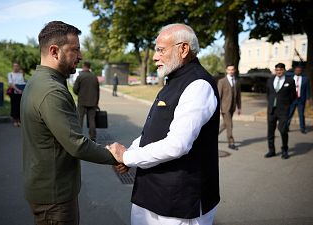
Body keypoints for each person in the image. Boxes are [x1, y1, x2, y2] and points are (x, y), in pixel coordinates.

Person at [108, 23, 220, 225]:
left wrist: (127, 156)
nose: (154, 57)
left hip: (178, 204)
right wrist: (128, 155)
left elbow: (177, 144)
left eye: (161, 50)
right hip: (150, 194)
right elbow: (153, 132)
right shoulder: (174, 80)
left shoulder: (198, 85)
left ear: (183, 49)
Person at [21, 21, 118, 225]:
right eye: (74, 50)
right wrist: (117, 156)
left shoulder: (39, 80)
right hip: (54, 196)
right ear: (54, 51)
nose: (80, 56)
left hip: (47, 187)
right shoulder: (51, 90)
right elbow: (77, 144)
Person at [265, 63, 296, 159]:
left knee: (283, 130)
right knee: (270, 132)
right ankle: (271, 150)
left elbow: (293, 96)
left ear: (284, 70)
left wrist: (286, 105)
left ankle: (284, 150)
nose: (279, 72)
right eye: (277, 70)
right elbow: (268, 94)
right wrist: (270, 103)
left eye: (281, 70)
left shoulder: (290, 81)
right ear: (275, 71)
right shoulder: (270, 80)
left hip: (283, 111)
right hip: (271, 110)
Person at [73, 61, 99, 141]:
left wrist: (79, 94)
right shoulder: (94, 77)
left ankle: (78, 137)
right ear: (89, 67)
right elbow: (97, 91)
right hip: (93, 102)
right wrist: (96, 102)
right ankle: (93, 137)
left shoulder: (80, 76)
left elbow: (75, 89)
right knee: (92, 120)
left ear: (84, 66)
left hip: (82, 101)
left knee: (79, 120)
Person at [218, 64, 241, 150]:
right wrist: (219, 108)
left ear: (234, 70)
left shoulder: (236, 81)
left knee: (225, 124)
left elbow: (238, 96)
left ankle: (212, 136)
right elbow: (218, 96)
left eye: (232, 69)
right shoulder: (222, 81)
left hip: (233, 107)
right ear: (226, 70)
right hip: (224, 107)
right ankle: (231, 143)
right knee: (230, 125)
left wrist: (239, 107)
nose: (231, 71)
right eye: (229, 70)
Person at [287, 65, 311, 134]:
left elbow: (307, 90)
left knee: (301, 114)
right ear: (294, 71)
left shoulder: (305, 79)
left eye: (299, 70)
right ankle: (286, 127)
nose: (297, 72)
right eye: (296, 70)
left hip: (301, 99)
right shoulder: (290, 78)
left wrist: (308, 99)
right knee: (290, 113)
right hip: (292, 99)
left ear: (301, 71)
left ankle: (302, 128)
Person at [7, 63, 25, 127]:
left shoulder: (21, 74)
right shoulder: (10, 74)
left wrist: (21, 90)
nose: (16, 67)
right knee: (14, 106)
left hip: (21, 92)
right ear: (12, 67)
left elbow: (22, 82)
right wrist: (17, 89)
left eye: (17, 66)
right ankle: (15, 120)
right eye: (14, 66)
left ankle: (19, 120)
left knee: (20, 106)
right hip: (14, 92)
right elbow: (10, 83)